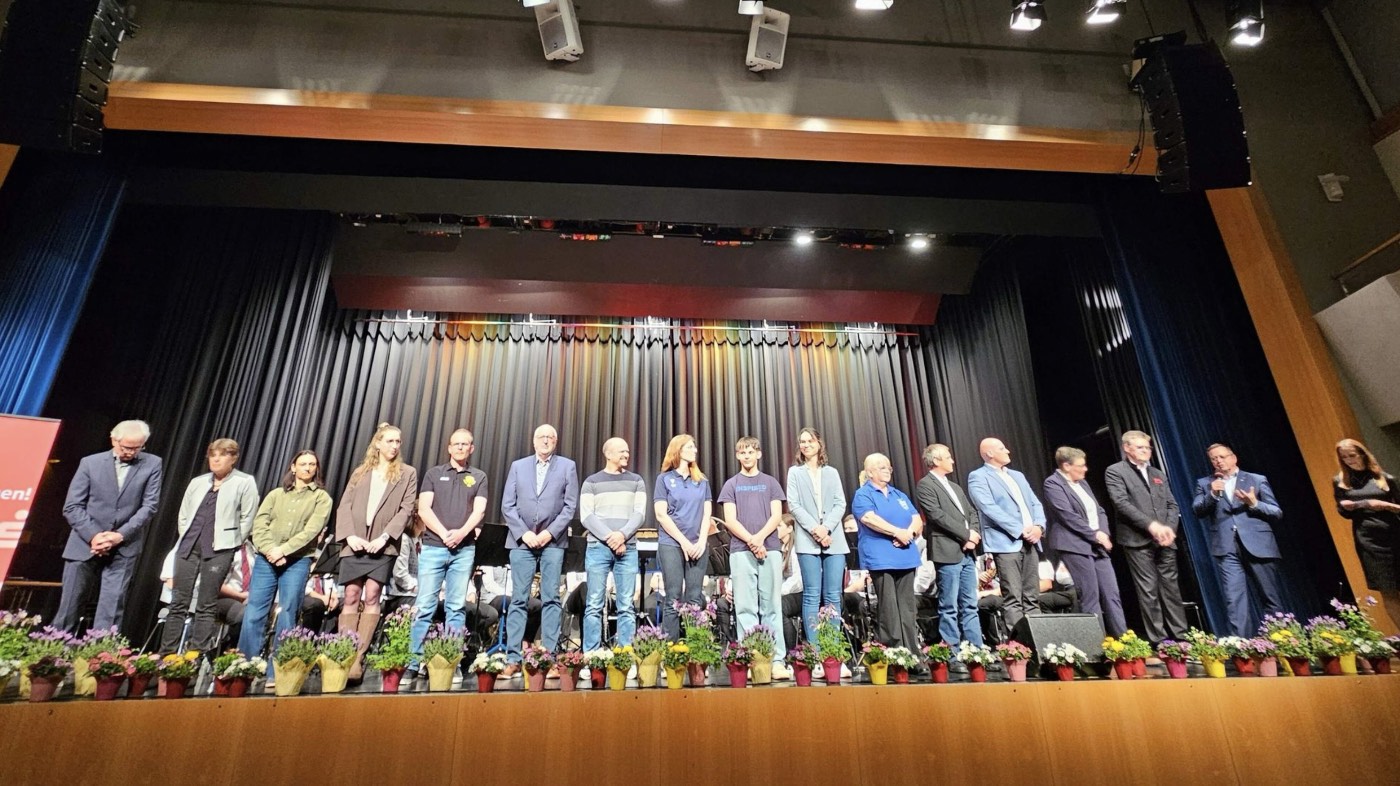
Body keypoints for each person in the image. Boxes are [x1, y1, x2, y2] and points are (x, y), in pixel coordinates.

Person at [55, 420, 164, 633]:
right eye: (126, 447)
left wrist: (119, 536)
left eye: (138, 448)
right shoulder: (90, 463)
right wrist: (94, 536)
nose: (131, 452)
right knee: (69, 607)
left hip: (124, 546)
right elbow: (72, 506)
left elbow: (149, 507)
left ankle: (101, 652)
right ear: (114, 440)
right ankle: (56, 651)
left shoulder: (152, 464)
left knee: (111, 611)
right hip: (84, 544)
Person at [159, 438, 261, 654]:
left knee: (206, 604)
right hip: (189, 547)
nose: (216, 459)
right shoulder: (198, 482)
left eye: (222, 455)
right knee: (178, 602)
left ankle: (195, 655)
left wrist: (233, 543)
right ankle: (167, 655)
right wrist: (186, 535)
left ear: (233, 458)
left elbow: (248, 518)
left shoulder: (244, 482)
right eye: (213, 455)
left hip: (220, 550)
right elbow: (184, 515)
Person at [335, 423, 419, 681]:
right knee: (351, 595)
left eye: (398, 441)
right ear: (378, 444)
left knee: (372, 595)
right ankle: (344, 654)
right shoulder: (361, 472)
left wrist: (384, 537)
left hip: (383, 544)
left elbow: (406, 509)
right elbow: (344, 505)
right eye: (390, 441)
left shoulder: (407, 473)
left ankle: (358, 659)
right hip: (355, 541)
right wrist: (350, 536)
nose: (394, 446)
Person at [239, 450, 332, 678]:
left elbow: (311, 531)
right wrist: (270, 549)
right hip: (266, 558)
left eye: (312, 464)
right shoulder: (276, 495)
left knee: (289, 612)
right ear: (293, 467)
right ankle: (244, 669)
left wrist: (283, 550)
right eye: (303, 464)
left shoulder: (321, 498)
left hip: (297, 561)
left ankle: (278, 672)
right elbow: (259, 525)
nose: (307, 468)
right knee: (254, 612)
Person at [500, 423, 579, 676]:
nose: (545, 440)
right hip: (521, 542)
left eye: (550, 437)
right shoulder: (518, 466)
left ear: (555, 441)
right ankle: (513, 659)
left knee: (551, 598)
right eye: (541, 437)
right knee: (518, 599)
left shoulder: (567, 466)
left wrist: (549, 533)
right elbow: (507, 505)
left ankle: (550, 658)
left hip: (552, 542)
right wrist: (524, 533)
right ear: (534, 441)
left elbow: (569, 506)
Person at [411, 428, 488, 674]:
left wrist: (462, 533)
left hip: (463, 550)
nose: (461, 447)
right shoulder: (434, 474)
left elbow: (479, 511)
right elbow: (424, 509)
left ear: (471, 448)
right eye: (456, 444)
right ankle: (414, 662)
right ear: (449, 447)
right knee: (425, 605)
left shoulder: (479, 476)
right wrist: (445, 534)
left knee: (456, 607)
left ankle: (450, 662)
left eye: (465, 444)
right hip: (433, 547)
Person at [1192, 443, 1285, 637]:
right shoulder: (1205, 483)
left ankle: (1279, 640)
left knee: (1270, 597)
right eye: (1214, 459)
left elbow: (1276, 512)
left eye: (1222, 457)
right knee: (1234, 599)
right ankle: (1241, 645)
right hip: (1227, 547)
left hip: (1258, 545)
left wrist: (1254, 503)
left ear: (1233, 458)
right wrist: (1212, 494)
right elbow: (1198, 510)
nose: (1218, 461)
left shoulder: (1256, 480)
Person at [1103, 430, 1188, 645]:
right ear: (1127, 448)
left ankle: (1181, 638)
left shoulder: (1157, 473)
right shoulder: (1115, 471)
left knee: (1171, 589)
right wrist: (1152, 526)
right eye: (1140, 447)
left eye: (1147, 447)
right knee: (1148, 590)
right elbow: (1121, 504)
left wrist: (1168, 530)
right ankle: (1160, 641)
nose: (1146, 451)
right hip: (1137, 540)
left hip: (1165, 540)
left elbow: (1172, 504)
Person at [718, 436, 789, 678]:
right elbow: (730, 520)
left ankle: (776, 660)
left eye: (751, 451)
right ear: (737, 456)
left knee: (771, 606)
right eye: (743, 452)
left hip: (770, 548)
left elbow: (776, 516)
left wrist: (759, 539)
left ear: (758, 454)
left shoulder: (770, 483)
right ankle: (750, 659)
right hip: (741, 551)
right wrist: (751, 540)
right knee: (745, 607)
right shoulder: (731, 484)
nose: (747, 456)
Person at [1042, 446, 1126, 636]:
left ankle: (1124, 642)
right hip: (1074, 545)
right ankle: (1098, 644)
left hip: (1097, 545)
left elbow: (1099, 510)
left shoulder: (1082, 483)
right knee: (1090, 596)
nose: (1085, 469)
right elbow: (1067, 516)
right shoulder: (1053, 484)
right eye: (1080, 466)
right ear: (1066, 466)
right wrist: (1095, 535)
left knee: (1112, 594)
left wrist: (1103, 532)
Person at [966, 437, 1045, 632]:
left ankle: (1040, 642)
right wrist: (1020, 530)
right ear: (990, 453)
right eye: (1002, 448)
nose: (1008, 451)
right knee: (1013, 597)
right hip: (1006, 543)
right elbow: (988, 507)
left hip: (1030, 541)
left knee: (1032, 597)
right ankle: (1019, 645)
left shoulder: (1017, 475)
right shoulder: (978, 476)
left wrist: (1038, 527)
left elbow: (1035, 502)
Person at [579, 437, 647, 652]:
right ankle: (591, 656)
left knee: (626, 605)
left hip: (627, 548)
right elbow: (586, 516)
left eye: (627, 451)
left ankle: (625, 655)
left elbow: (639, 514)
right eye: (621, 451)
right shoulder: (591, 482)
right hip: (598, 548)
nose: (626, 454)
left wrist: (622, 535)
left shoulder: (637, 481)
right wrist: (612, 538)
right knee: (594, 604)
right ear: (608, 454)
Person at [851, 453, 924, 650]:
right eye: (882, 467)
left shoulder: (898, 494)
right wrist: (897, 532)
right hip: (881, 558)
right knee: (888, 608)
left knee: (907, 608)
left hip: (906, 556)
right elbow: (869, 518)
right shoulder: (863, 494)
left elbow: (916, 518)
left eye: (888, 467)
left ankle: (913, 652)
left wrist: (910, 533)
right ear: (869, 472)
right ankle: (895, 653)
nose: (887, 471)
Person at [914, 443, 983, 647]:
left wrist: (974, 534)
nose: (952, 460)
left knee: (970, 604)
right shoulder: (925, 485)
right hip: (947, 551)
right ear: (936, 460)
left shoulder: (955, 487)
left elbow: (971, 512)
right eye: (948, 457)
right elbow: (937, 516)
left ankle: (976, 650)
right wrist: (966, 535)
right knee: (949, 605)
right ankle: (953, 651)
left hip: (967, 553)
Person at [784, 426, 849, 644]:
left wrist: (826, 528)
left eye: (810, 441)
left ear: (819, 444)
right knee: (812, 594)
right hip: (808, 540)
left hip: (834, 540)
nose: (806, 445)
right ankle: (815, 649)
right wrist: (815, 529)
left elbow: (840, 503)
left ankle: (832, 647)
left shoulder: (832, 472)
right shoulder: (795, 473)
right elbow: (794, 505)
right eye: (802, 442)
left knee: (833, 595)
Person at [1333, 438, 1400, 628]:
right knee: (1388, 590)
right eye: (1344, 458)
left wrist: (1383, 505)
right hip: (1368, 540)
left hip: (1394, 535)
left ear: (1362, 454)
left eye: (1352, 455)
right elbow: (1343, 512)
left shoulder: (1385, 479)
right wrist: (1349, 507)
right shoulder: (1341, 482)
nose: (1349, 461)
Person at [654, 433, 712, 641]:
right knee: (673, 597)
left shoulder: (702, 481)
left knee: (695, 598)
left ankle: (696, 649)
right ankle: (671, 650)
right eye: (689, 447)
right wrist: (684, 543)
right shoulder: (664, 480)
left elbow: (707, 514)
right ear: (678, 451)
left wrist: (701, 542)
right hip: (672, 545)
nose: (694, 450)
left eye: (694, 447)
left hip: (698, 545)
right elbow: (661, 515)